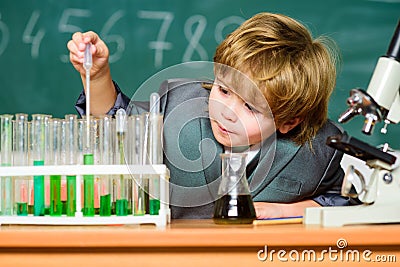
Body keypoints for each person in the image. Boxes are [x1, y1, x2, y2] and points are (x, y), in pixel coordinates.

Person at [67, 12, 359, 219]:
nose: (226, 113)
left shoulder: (319, 149)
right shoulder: (176, 107)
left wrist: (287, 210)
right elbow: (117, 123)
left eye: (250, 108)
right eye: (223, 90)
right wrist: (96, 76)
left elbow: (344, 201)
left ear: (288, 122)